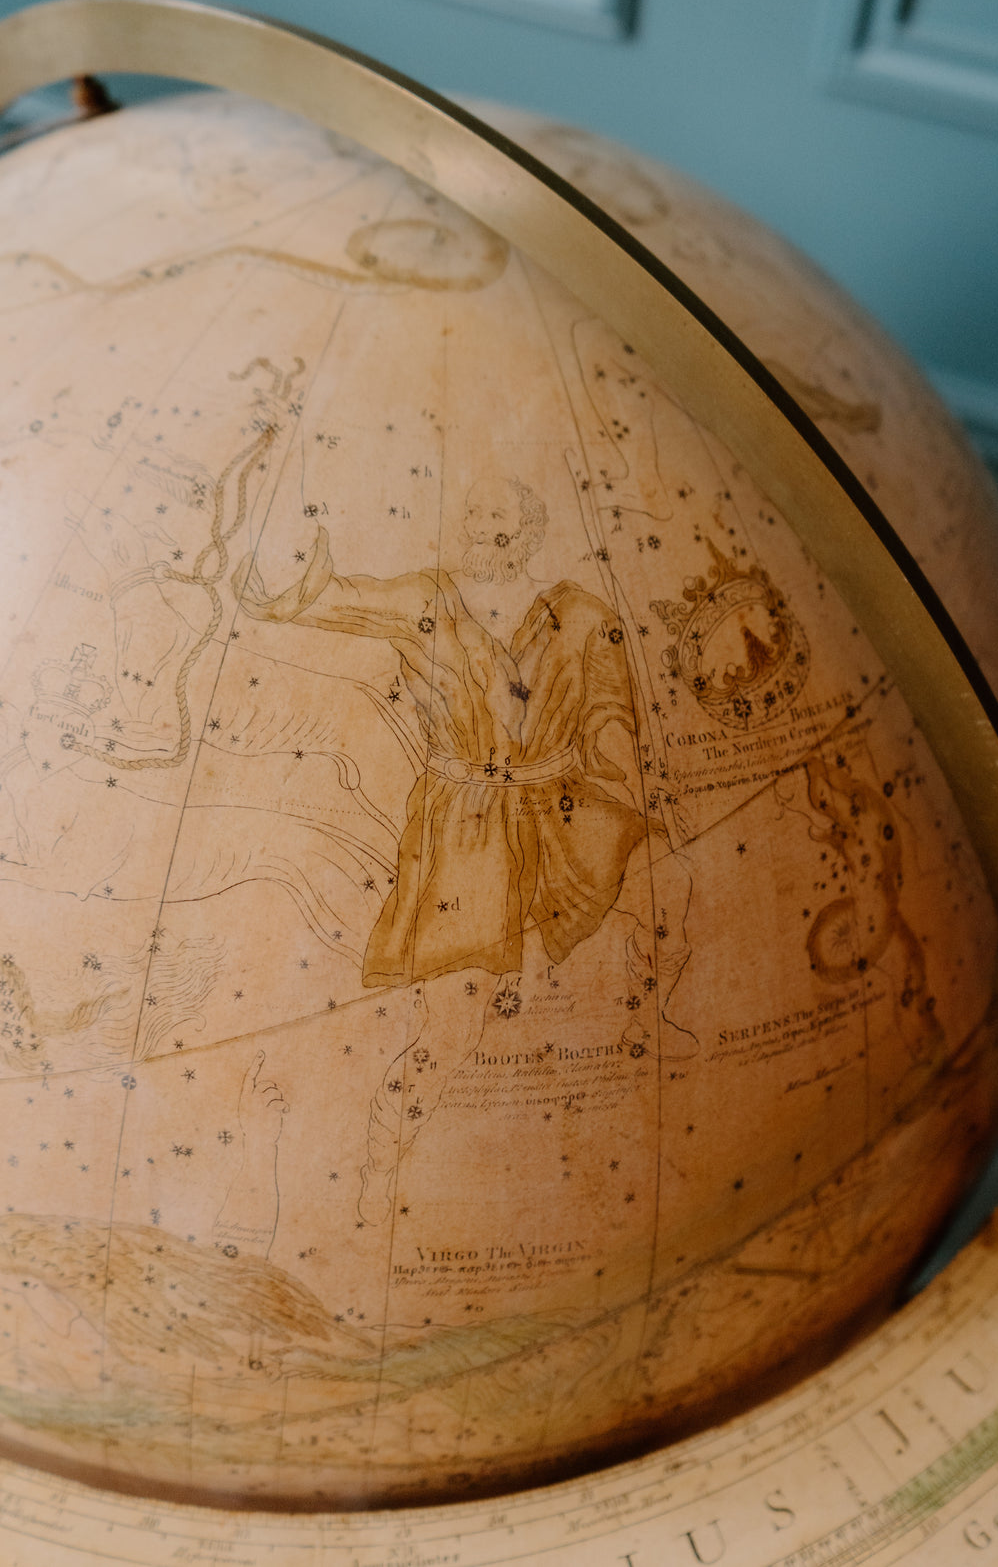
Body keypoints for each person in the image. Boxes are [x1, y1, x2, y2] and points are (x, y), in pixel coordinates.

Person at [234, 476, 694, 1224]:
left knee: (669, 883)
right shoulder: (428, 603)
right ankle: (381, 1166)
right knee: (454, 1017)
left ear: (529, 532)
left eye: (499, 519)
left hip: (560, 806)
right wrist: (284, 570)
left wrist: (642, 797)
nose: (483, 531)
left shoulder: (578, 616)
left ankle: (657, 1024)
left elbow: (612, 718)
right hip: (467, 825)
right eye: (474, 517)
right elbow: (333, 598)